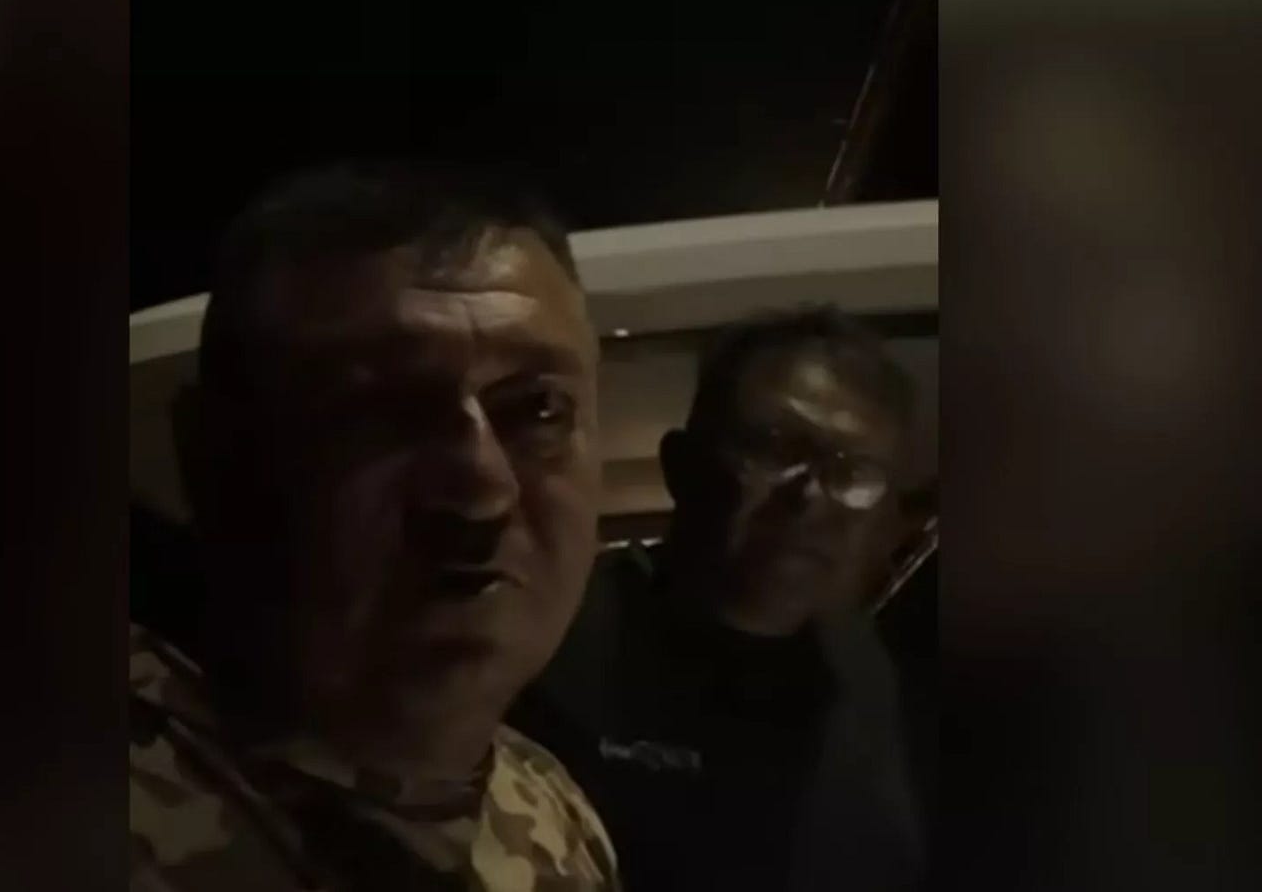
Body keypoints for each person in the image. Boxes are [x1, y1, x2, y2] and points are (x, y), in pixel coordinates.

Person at [129, 162, 619, 890]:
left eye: (538, 410)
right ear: (212, 459)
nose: (481, 491)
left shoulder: (551, 806)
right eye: (378, 412)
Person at [510, 308, 923, 891]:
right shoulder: (554, 631)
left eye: (853, 473)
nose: (810, 495)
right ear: (681, 466)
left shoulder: (873, 676)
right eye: (775, 447)